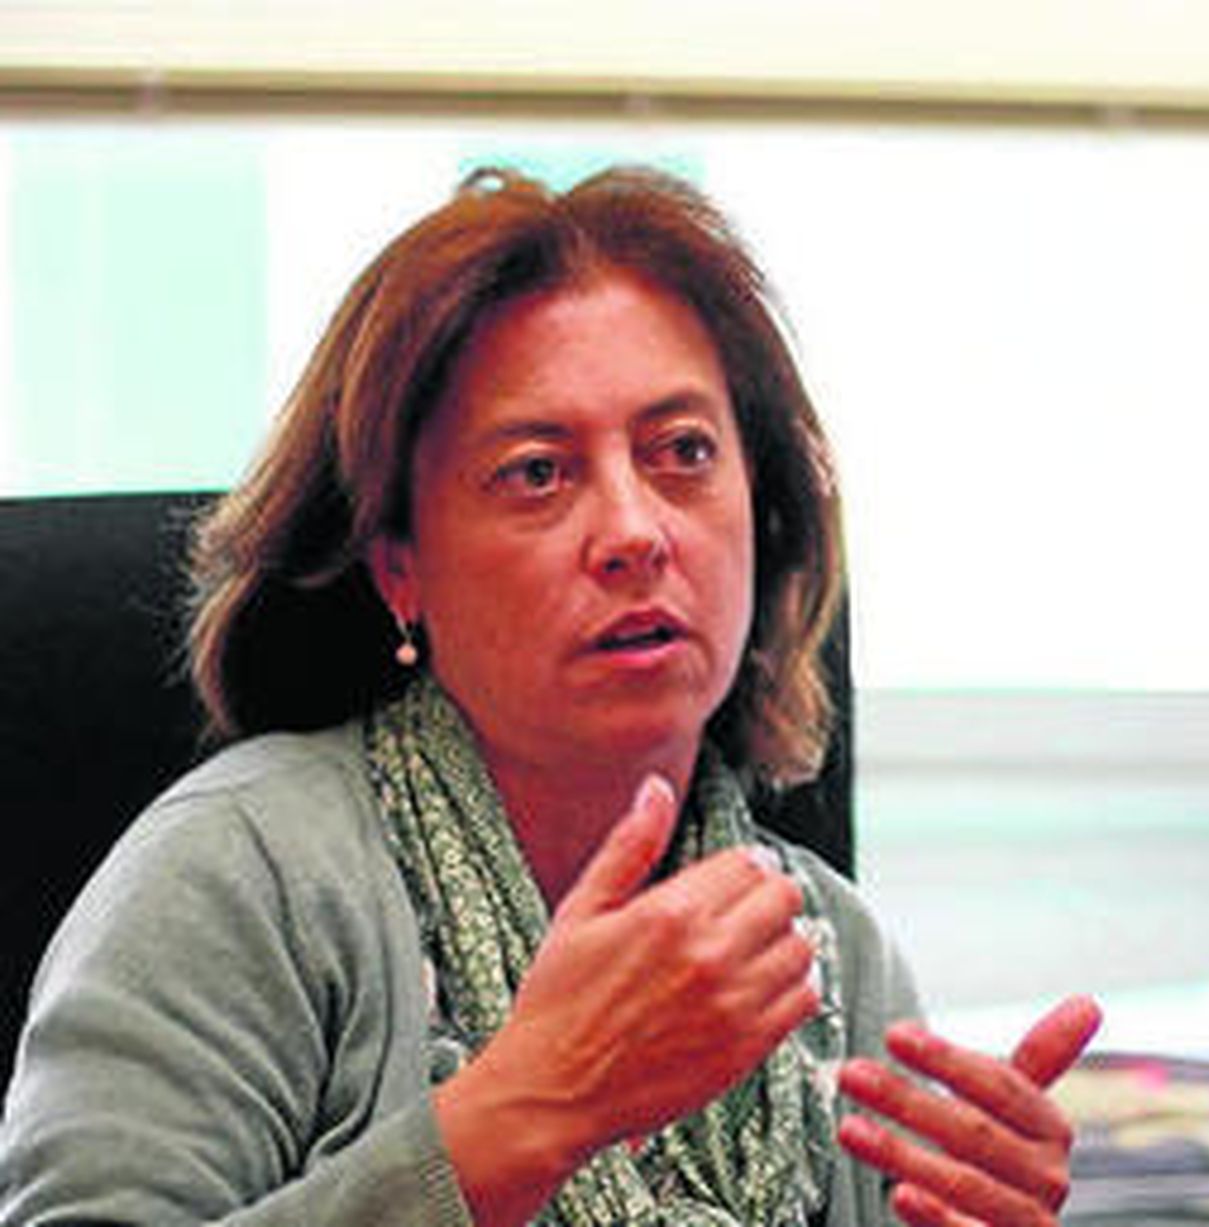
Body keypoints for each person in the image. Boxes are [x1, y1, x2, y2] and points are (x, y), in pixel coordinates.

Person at [0, 165, 1099, 1227]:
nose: (633, 531)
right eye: (538, 471)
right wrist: (526, 1115)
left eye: (682, 451)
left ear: (762, 516)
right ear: (400, 568)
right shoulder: (244, 879)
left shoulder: (830, 950)